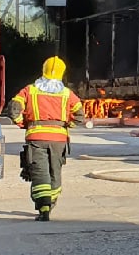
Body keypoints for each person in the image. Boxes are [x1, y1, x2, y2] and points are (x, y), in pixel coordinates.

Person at [6, 56, 85, 221]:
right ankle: (53, 200)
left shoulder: (30, 90)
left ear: (43, 70)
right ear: (62, 73)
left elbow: (13, 109)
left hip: (36, 138)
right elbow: (79, 115)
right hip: (59, 140)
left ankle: (44, 208)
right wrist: (65, 127)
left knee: (40, 172)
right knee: (55, 172)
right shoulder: (67, 93)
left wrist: (23, 124)